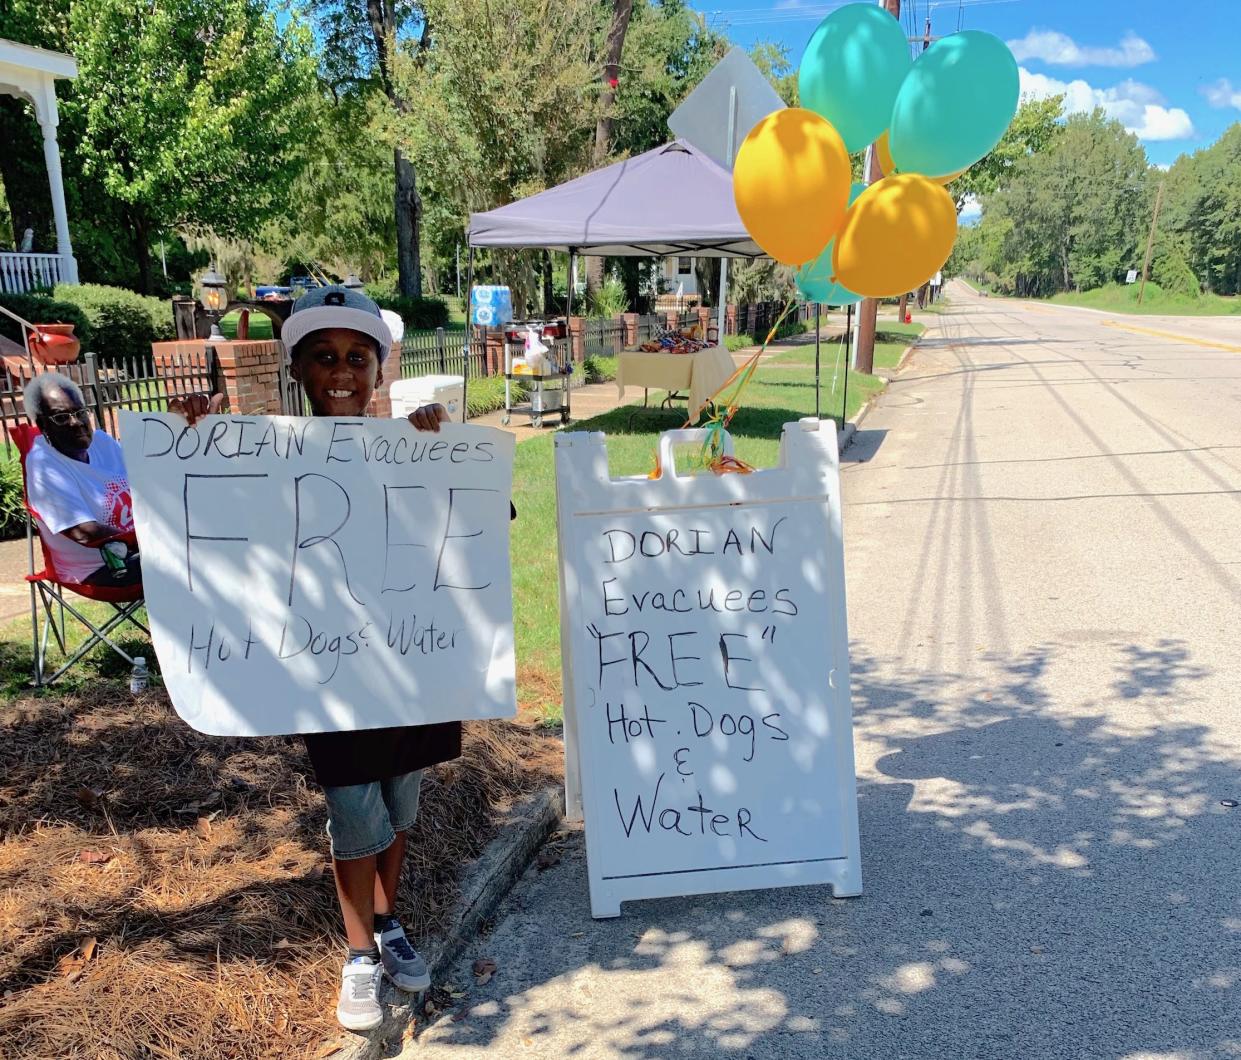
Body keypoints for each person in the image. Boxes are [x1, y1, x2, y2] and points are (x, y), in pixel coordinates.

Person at [177, 286, 464, 1033]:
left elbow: (482, 522)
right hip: (329, 672)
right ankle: (361, 953)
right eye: (325, 357)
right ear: (297, 368)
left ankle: (388, 918)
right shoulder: (269, 455)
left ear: (378, 368)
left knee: (399, 808)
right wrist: (193, 443)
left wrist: (442, 453)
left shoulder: (409, 442)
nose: (342, 372)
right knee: (352, 811)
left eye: (357, 358)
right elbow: (209, 518)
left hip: (412, 668)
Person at [23, 372, 143, 587]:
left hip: (140, 552)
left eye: (80, 412)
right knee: (190, 561)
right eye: (61, 417)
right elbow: (84, 533)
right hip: (98, 568)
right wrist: (147, 542)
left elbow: (149, 481)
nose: (76, 422)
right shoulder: (44, 466)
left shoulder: (103, 443)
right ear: (43, 426)